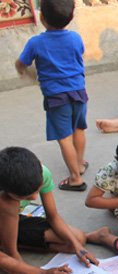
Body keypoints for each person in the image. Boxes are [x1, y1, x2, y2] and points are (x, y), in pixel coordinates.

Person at [15, 0, 90, 191]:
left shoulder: (36, 42)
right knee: (79, 128)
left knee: (64, 137)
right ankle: (79, 164)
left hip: (57, 98)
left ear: (41, 17)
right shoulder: (75, 37)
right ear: (71, 17)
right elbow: (79, 54)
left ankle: (75, 178)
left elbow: (21, 63)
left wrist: (22, 70)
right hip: (79, 92)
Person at [0, 147, 103, 274]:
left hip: (11, 222)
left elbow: (53, 216)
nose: (35, 197)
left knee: (77, 239)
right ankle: (9, 251)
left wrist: (78, 247)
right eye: (23, 197)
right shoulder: (7, 200)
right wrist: (40, 273)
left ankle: (8, 247)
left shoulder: (42, 174)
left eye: (37, 190)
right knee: (9, 205)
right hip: (6, 215)